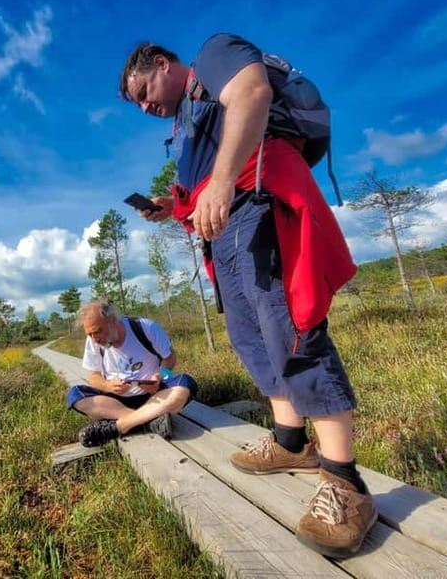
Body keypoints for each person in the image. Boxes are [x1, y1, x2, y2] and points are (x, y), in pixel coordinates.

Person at [118, 34, 376, 559]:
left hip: (258, 202)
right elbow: (207, 176)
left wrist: (219, 181)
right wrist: (173, 205)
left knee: (291, 329)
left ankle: (346, 483)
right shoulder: (186, 118)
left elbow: (253, 93)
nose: (145, 107)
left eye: (143, 91)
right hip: (224, 229)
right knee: (251, 338)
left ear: (163, 64)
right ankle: (289, 443)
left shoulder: (215, 54)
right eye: (139, 104)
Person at [67, 300, 197, 448]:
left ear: (112, 320)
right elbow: (93, 376)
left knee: (185, 384)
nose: (94, 339)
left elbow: (170, 357)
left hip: (154, 396)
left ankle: (118, 427)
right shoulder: (93, 341)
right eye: (89, 334)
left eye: (97, 331)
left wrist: (160, 376)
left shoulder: (146, 328)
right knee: (75, 395)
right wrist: (107, 385)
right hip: (116, 402)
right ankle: (148, 421)